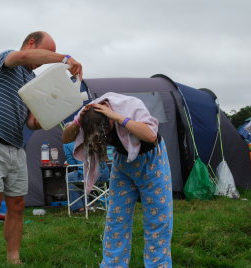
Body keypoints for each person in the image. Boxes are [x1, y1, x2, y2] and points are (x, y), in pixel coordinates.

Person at [0, 31, 83, 267]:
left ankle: (14, 258)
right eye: (44, 53)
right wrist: (64, 58)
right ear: (31, 43)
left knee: (18, 204)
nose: (41, 62)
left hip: (16, 146)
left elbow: (30, 122)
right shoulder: (6, 59)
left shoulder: (32, 83)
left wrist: (46, 116)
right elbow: (21, 57)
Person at [62, 92, 173, 268]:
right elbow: (66, 137)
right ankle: (113, 264)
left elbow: (151, 135)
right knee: (116, 219)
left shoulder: (130, 105)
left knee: (157, 220)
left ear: (110, 121)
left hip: (151, 161)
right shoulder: (89, 113)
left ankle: (158, 265)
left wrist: (118, 117)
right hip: (123, 163)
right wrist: (77, 122)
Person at [63, 141, 110, 213]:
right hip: (104, 175)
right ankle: (90, 203)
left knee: (70, 177)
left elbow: (73, 164)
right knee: (77, 176)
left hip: (88, 176)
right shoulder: (95, 138)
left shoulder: (68, 144)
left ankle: (80, 207)